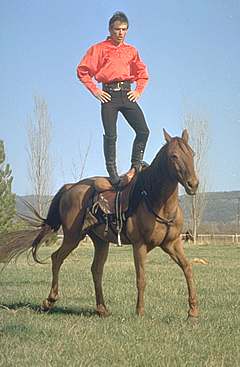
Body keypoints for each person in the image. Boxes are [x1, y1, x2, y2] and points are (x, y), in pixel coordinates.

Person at [77, 11, 149, 188]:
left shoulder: (131, 51)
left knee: (143, 130)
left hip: (127, 93)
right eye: (117, 29)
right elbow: (82, 71)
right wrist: (95, 91)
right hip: (108, 95)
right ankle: (113, 172)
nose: (120, 33)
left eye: (124, 30)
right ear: (110, 29)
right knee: (111, 135)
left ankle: (135, 165)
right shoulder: (98, 49)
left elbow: (142, 74)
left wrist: (138, 91)